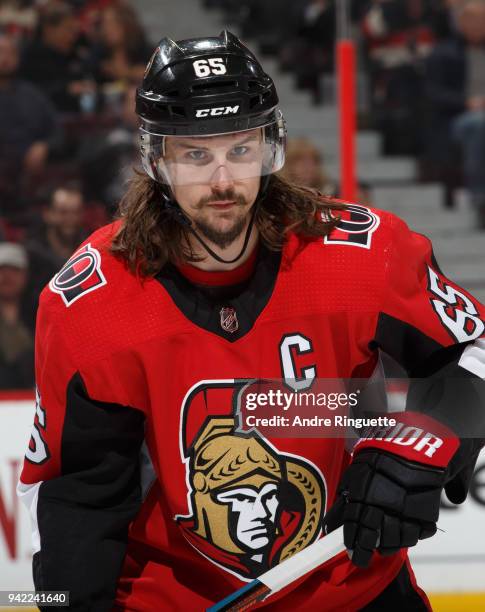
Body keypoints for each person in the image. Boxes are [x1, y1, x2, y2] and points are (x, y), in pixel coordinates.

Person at [17, 31, 485, 611]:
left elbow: (474, 355)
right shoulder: (91, 303)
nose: (221, 182)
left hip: (352, 592)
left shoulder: (358, 254)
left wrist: (430, 442)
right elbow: (79, 502)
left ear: (270, 148)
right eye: (195, 155)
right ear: (154, 160)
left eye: (240, 150)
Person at [0, 242, 34, 389]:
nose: (7, 277)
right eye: (2, 270)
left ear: (25, 275)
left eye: (14, 270)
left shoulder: (39, 311)